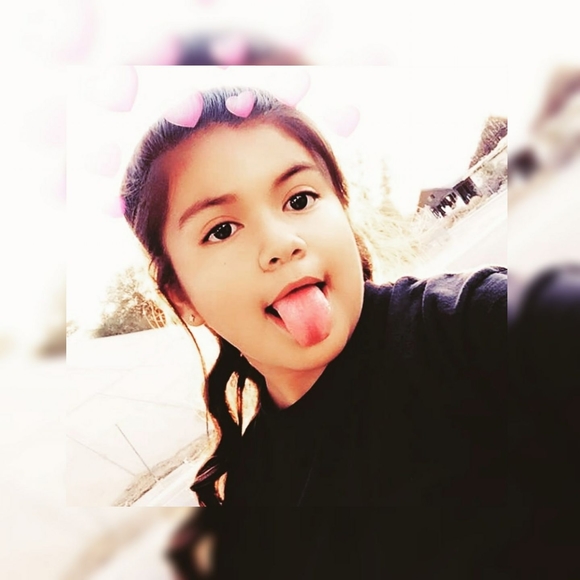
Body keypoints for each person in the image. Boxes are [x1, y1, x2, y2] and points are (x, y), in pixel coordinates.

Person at [122, 86, 516, 576]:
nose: (281, 243)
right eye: (221, 230)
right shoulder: (253, 491)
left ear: (342, 208)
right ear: (181, 295)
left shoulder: (468, 324)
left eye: (300, 198)